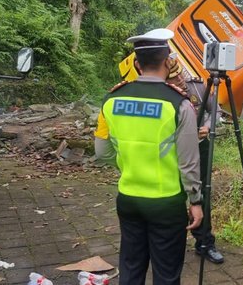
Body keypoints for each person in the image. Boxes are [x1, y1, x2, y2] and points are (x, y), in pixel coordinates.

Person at [94, 28, 203, 285]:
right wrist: (195, 201)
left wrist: (128, 162)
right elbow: (189, 163)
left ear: (136, 63)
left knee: (131, 268)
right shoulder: (179, 104)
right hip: (166, 203)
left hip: (129, 199)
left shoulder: (112, 99)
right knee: (166, 274)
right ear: (167, 61)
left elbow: (102, 152)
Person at [166, 57, 225, 264]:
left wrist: (208, 126)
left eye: (180, 74)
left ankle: (205, 243)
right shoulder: (162, 94)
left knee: (202, 195)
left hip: (200, 148)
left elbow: (216, 110)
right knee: (173, 194)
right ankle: (172, 242)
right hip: (171, 152)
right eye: (174, 78)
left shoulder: (198, 86)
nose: (180, 80)